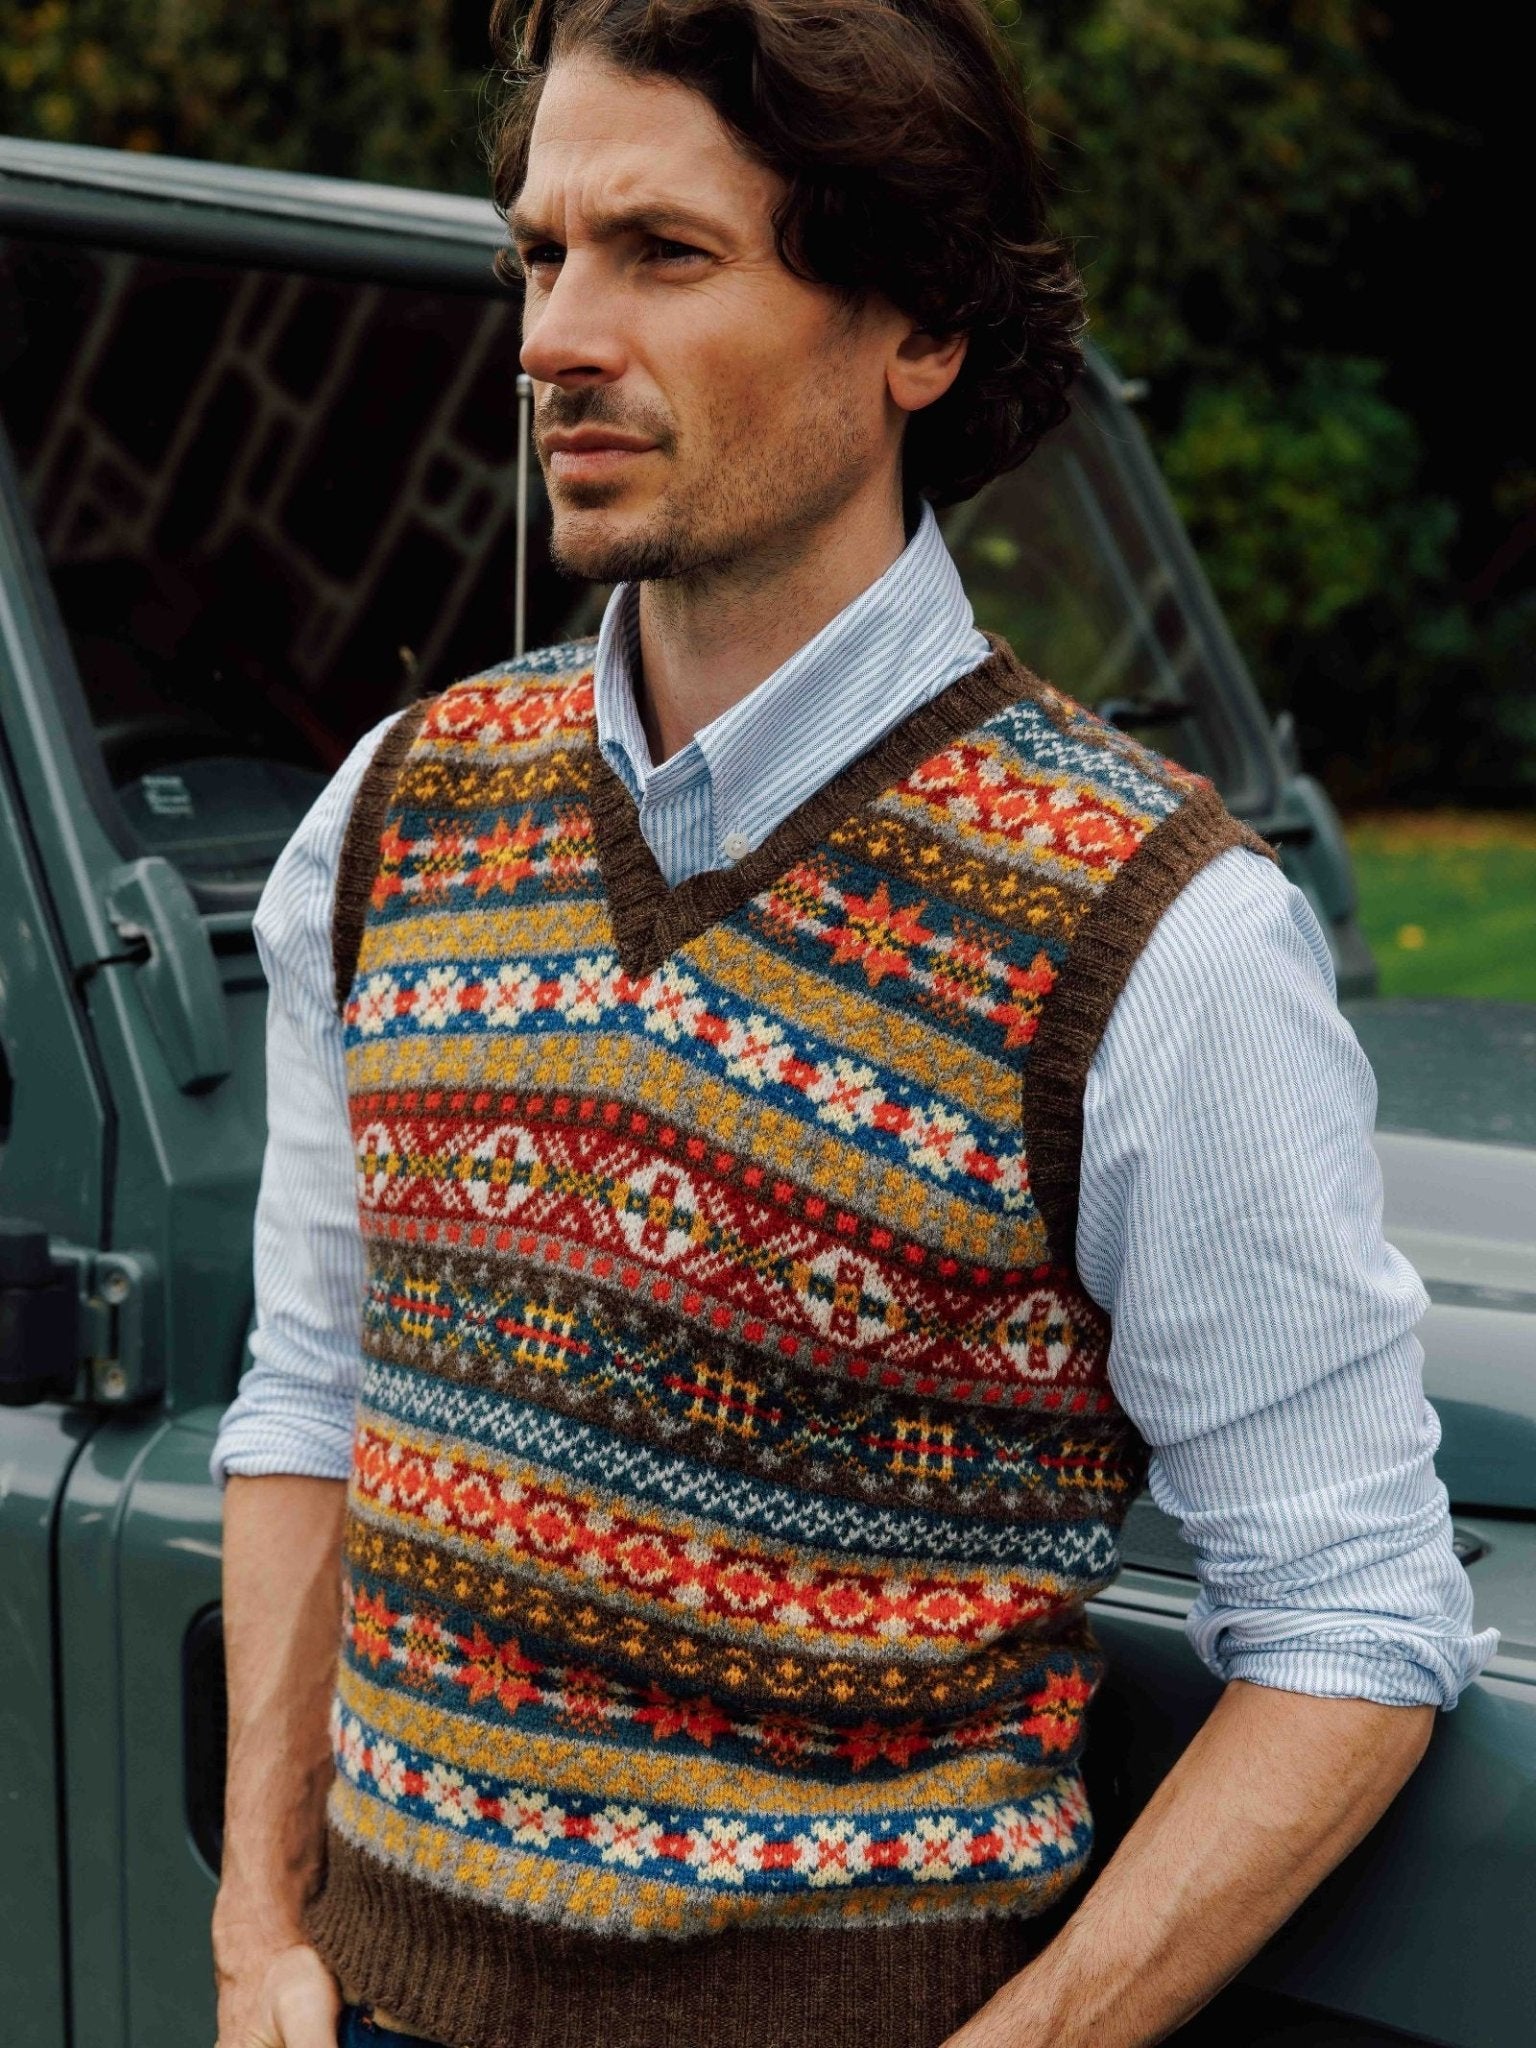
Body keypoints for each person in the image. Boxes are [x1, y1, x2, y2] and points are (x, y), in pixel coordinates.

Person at [208, 0, 1495, 2043]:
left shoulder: (1160, 939)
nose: (549, 337)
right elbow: (311, 1393)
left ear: (916, 327)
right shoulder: (387, 815)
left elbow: (1352, 1626)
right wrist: (261, 1929)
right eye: (540, 253)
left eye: (663, 252)